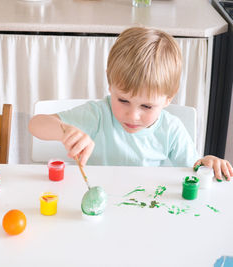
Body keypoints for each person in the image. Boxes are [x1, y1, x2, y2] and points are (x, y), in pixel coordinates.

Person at [29, 27, 233, 181]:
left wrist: (208, 162)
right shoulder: (98, 115)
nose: (133, 115)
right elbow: (35, 125)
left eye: (146, 106)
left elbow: (194, 170)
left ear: (168, 98)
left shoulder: (171, 130)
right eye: (123, 100)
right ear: (110, 85)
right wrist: (64, 130)